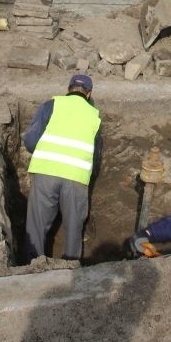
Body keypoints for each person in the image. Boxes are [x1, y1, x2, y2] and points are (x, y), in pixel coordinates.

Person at [23, 73, 102, 262]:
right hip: (76, 176)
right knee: (74, 226)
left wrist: (45, 153)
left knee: (37, 223)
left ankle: (33, 266)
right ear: (88, 94)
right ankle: (71, 267)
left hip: (46, 171)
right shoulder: (94, 116)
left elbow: (31, 140)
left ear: (68, 90)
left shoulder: (51, 105)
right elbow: (96, 155)